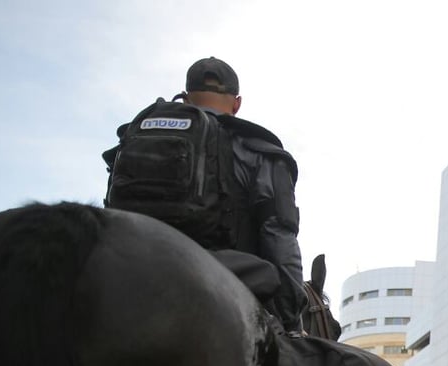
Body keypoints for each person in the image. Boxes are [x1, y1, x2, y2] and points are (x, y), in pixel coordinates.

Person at [102, 57, 306, 333]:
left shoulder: (131, 141)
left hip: (126, 276)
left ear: (186, 99)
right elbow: (279, 238)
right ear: (237, 103)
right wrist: (291, 320)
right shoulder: (260, 153)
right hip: (225, 281)